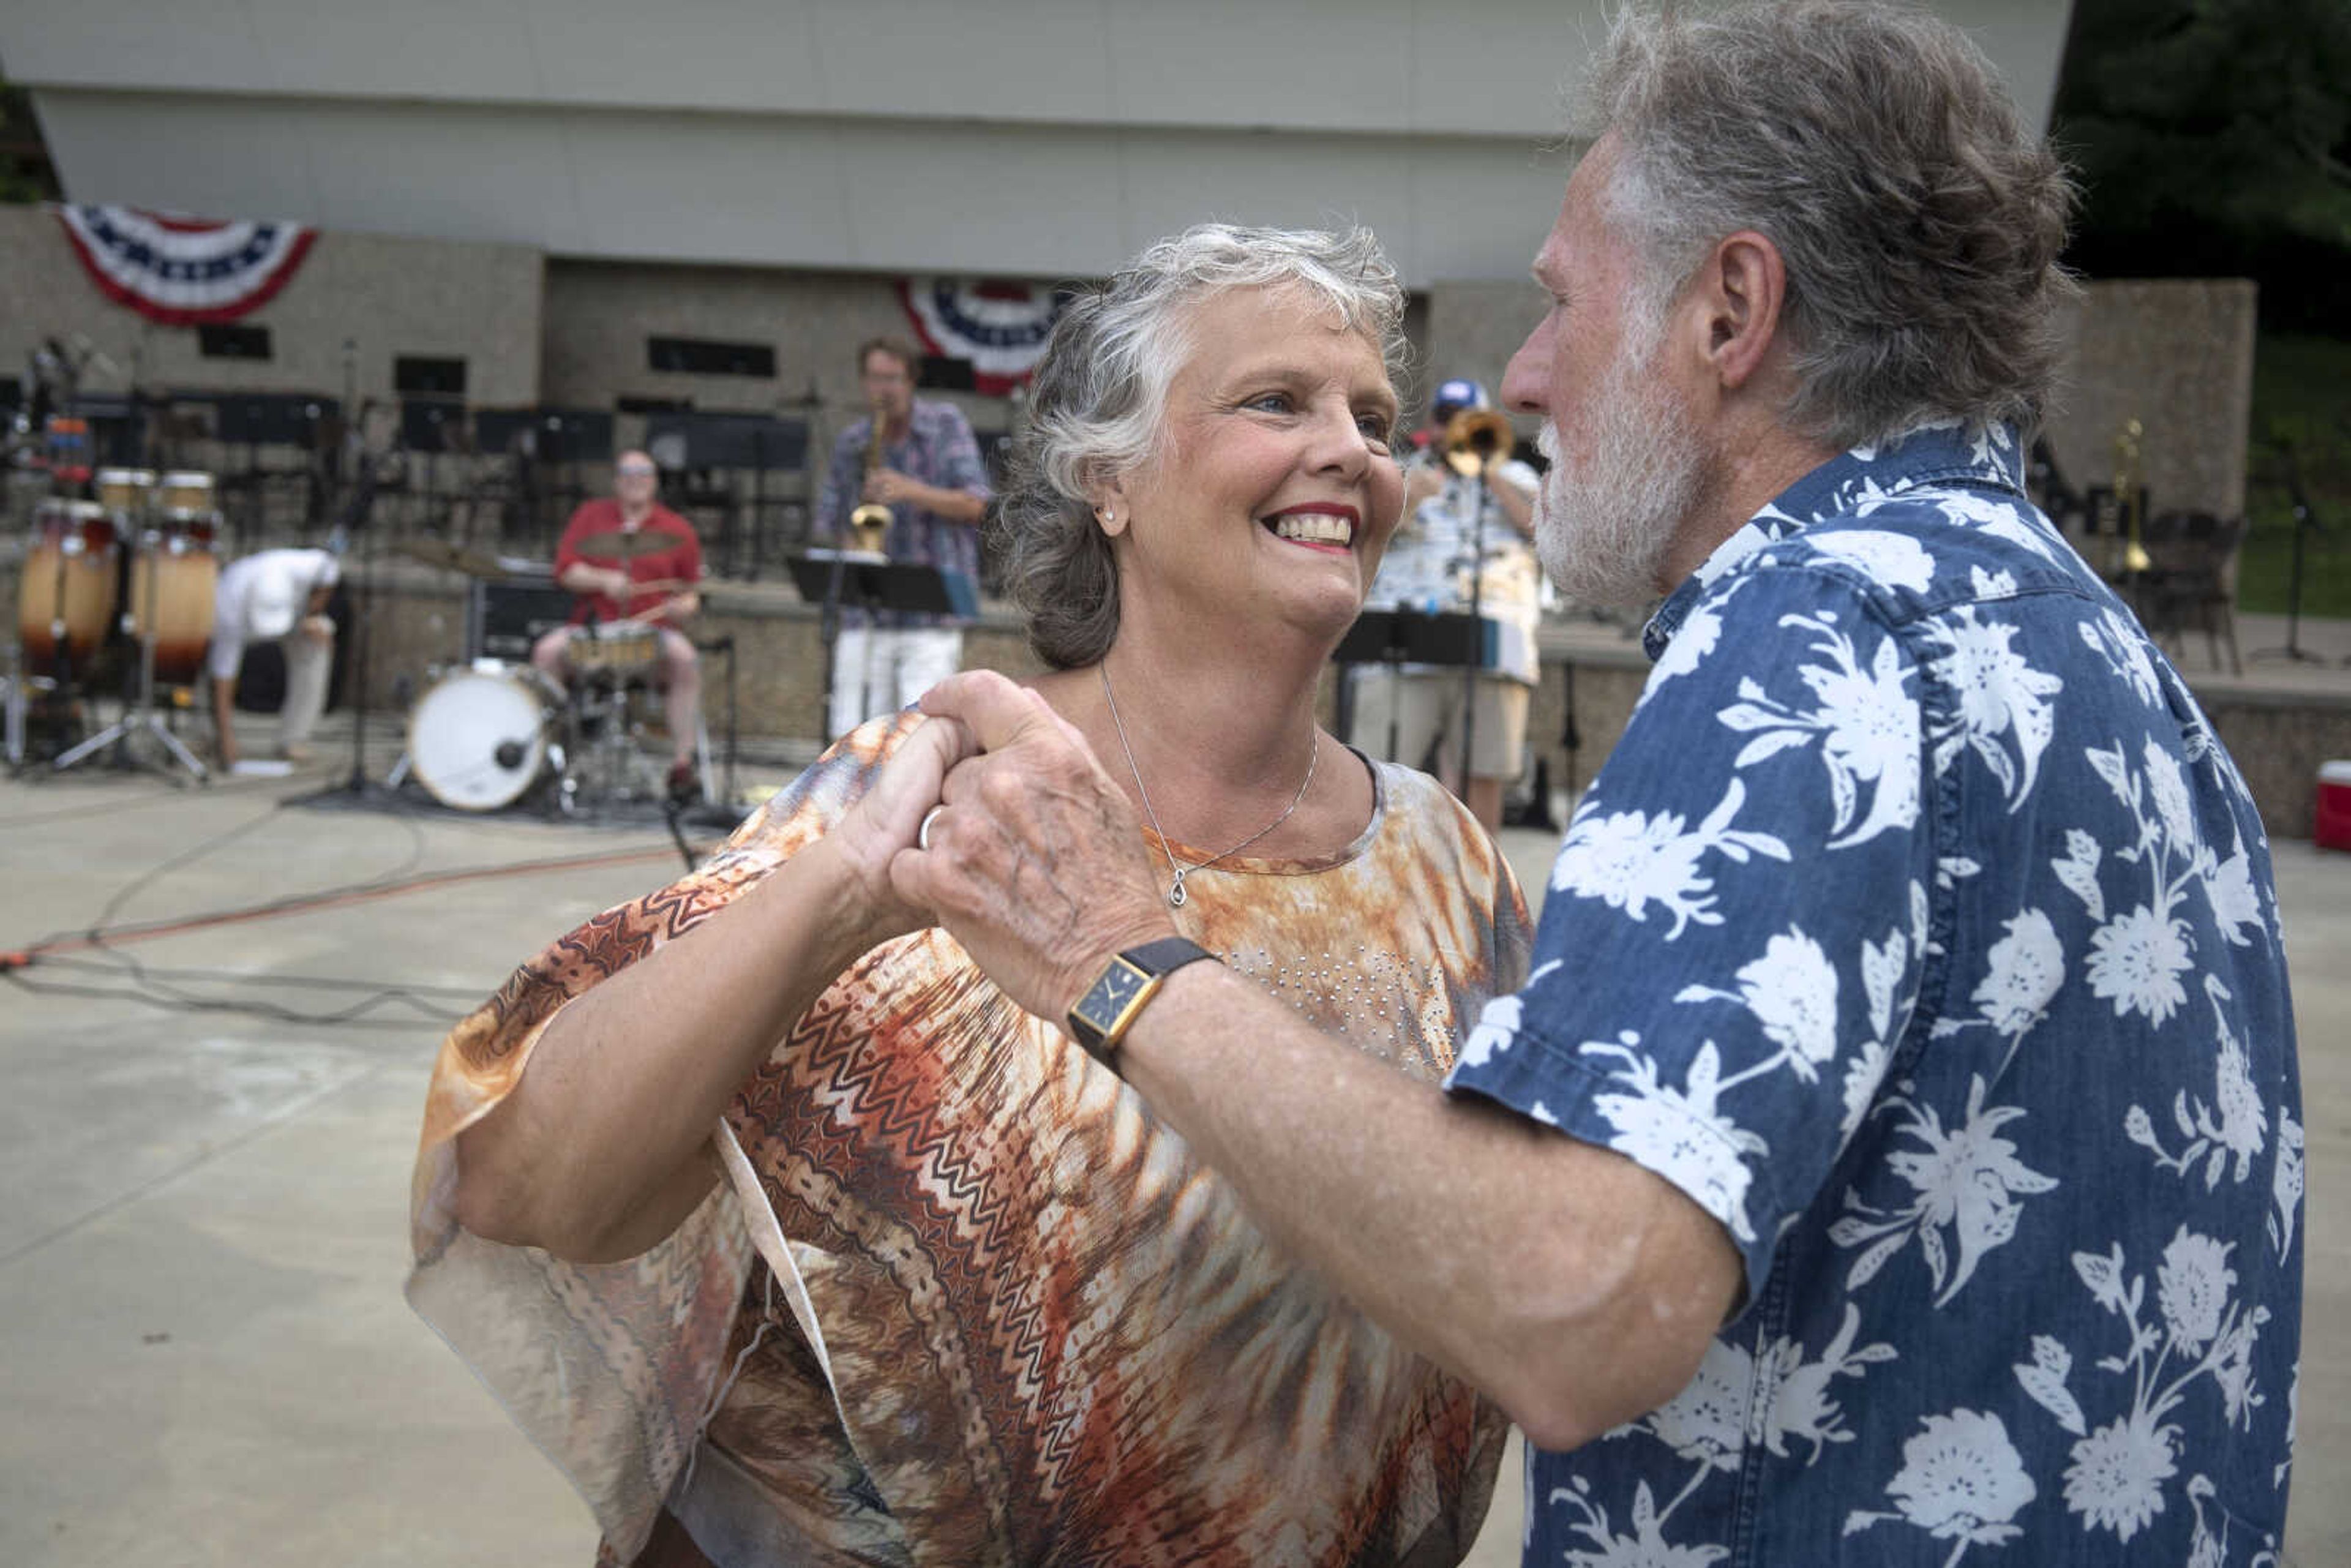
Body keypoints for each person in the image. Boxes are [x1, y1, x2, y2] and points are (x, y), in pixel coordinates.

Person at [899, 6, 2304, 1564]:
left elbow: (1571, 1297)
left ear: (1729, 309)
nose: (1524, 368)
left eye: (1564, 299)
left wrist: (1119, 958)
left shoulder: (1803, 645)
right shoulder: (2100, 657)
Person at [410, 225, 1528, 1566]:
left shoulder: (1450, 869)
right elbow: (528, 1182)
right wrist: (836, 895)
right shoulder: (940, 787)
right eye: (1276, 400)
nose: (1352, 448)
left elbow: (1505, 1265)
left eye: (1375, 417)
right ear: (1109, 480)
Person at [1348, 377, 1541, 828]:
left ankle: (1477, 885)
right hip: (1402, 642)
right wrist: (1408, 495)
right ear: (1430, 424)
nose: (1452, 429)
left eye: (1464, 421)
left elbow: (1541, 531)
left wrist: (1490, 472)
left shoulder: (1516, 477)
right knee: (1379, 772)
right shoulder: (1403, 475)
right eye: (1444, 420)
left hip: (1496, 642)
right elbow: (1362, 536)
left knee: (1483, 772)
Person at [813, 336, 992, 740]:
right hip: (866, 613)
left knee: (919, 734)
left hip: (931, 611)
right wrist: (853, 542)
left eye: (893, 378)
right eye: (876, 378)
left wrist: (912, 491)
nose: (884, 389)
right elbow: (829, 520)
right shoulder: (853, 442)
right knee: (851, 734)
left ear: (911, 380)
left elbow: (978, 504)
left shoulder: (946, 425)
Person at [531, 449, 703, 797]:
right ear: (616, 480)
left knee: (686, 660)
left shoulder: (677, 528)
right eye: (628, 471)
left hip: (653, 634)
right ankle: (553, 753)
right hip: (595, 629)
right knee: (546, 653)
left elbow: (691, 592)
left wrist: (683, 608)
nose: (636, 478)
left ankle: (683, 765)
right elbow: (565, 571)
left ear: (655, 482)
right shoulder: (590, 516)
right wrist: (604, 581)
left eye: (644, 472)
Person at [206, 545, 338, 768]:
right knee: (210, 660)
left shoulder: (310, 566)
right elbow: (223, 675)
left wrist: (314, 611)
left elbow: (331, 572)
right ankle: (211, 734)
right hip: (240, 619)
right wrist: (226, 735)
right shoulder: (229, 607)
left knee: (317, 643)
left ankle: (294, 738)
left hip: (298, 616)